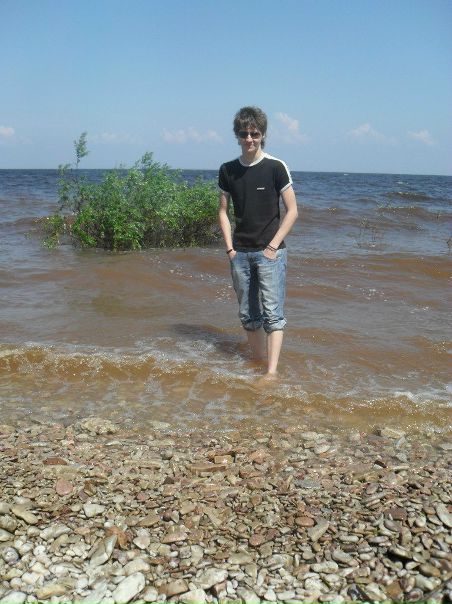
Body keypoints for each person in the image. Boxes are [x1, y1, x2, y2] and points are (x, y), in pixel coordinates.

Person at [218, 106, 298, 375]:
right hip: (239, 254)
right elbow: (223, 212)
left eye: (254, 134)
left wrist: (272, 247)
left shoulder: (276, 167)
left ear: (263, 135)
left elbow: (292, 211)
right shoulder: (227, 170)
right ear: (237, 136)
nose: (249, 139)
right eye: (244, 134)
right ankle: (257, 363)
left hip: (270, 254)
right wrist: (230, 249)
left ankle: (271, 374)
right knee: (249, 316)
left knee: (273, 316)